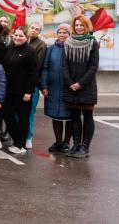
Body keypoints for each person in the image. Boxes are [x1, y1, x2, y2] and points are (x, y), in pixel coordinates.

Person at [63, 15, 99, 158]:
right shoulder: (68, 42)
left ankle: (85, 147)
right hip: (71, 86)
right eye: (76, 25)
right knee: (74, 117)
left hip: (87, 86)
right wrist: (70, 82)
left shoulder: (92, 42)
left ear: (87, 26)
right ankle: (76, 144)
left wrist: (80, 83)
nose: (78, 27)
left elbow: (93, 67)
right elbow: (64, 66)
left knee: (88, 116)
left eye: (81, 25)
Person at [1, 26, 39, 155]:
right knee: (8, 116)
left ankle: (20, 144)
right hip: (8, 91)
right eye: (16, 35)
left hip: (23, 93)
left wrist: (29, 92)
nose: (17, 38)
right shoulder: (10, 48)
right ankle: (17, 140)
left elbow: (33, 73)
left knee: (23, 118)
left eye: (20, 36)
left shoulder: (30, 52)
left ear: (26, 37)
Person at [40, 23, 73, 154]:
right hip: (53, 88)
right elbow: (45, 67)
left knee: (70, 116)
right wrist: (43, 85)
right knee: (56, 116)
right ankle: (58, 142)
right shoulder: (51, 49)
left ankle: (66, 143)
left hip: (69, 88)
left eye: (65, 32)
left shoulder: (73, 49)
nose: (62, 34)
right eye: (60, 32)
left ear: (70, 35)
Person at [25, 22, 47, 149]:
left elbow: (36, 66)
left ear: (39, 32)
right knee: (18, 112)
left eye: (37, 29)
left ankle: (28, 137)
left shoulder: (41, 45)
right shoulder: (21, 40)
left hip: (32, 84)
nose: (33, 30)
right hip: (18, 83)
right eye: (32, 28)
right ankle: (19, 135)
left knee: (29, 112)